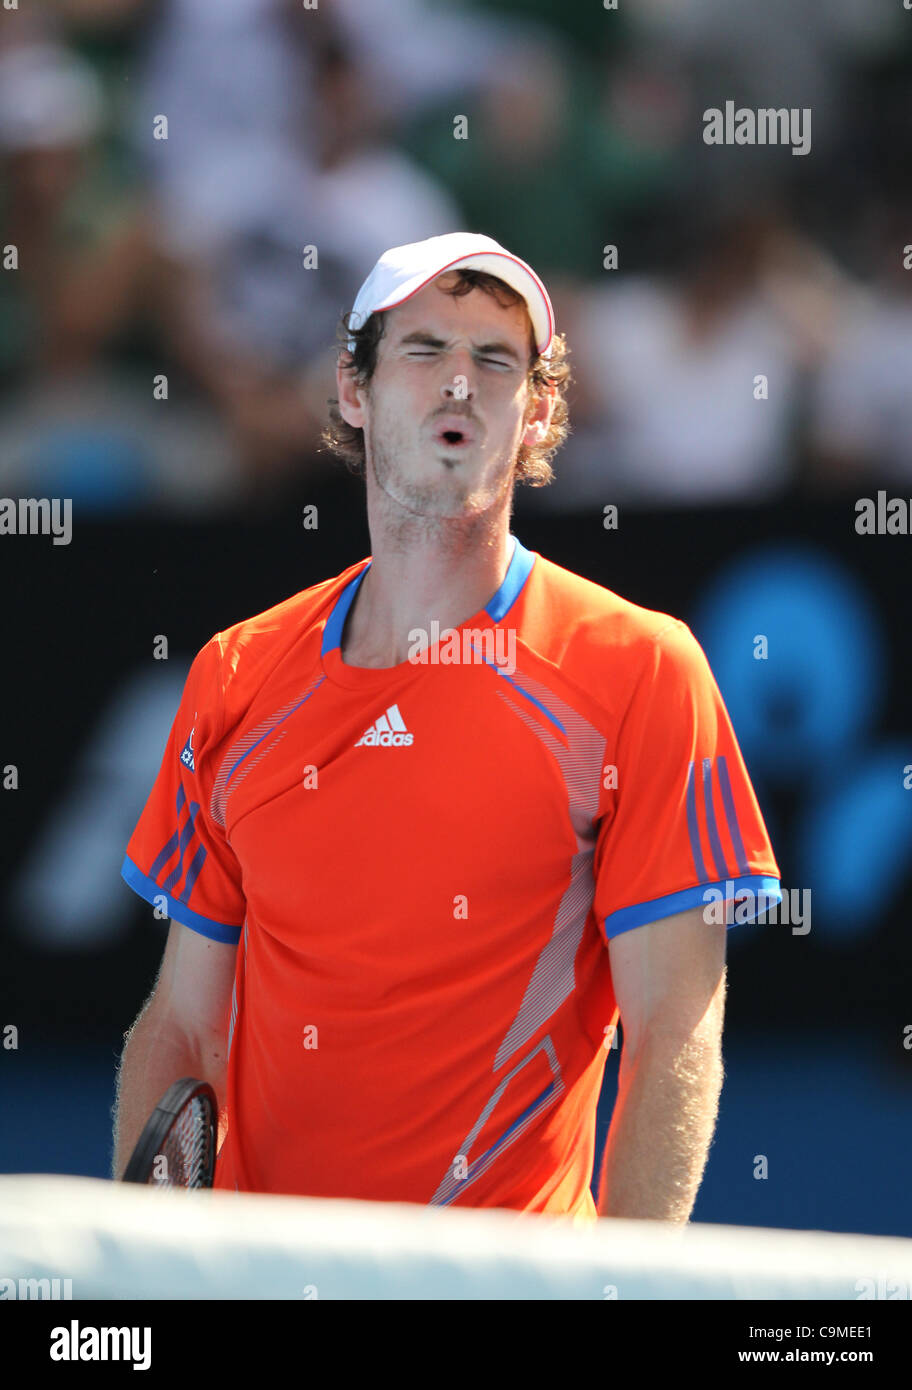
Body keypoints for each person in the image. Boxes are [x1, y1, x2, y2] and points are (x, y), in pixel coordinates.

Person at [114, 232, 782, 1223]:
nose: (459, 383)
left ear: (538, 410)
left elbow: (671, 1032)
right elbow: (181, 1022)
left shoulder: (640, 669)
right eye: (424, 350)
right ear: (354, 390)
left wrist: (629, 1298)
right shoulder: (236, 672)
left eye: (495, 359)